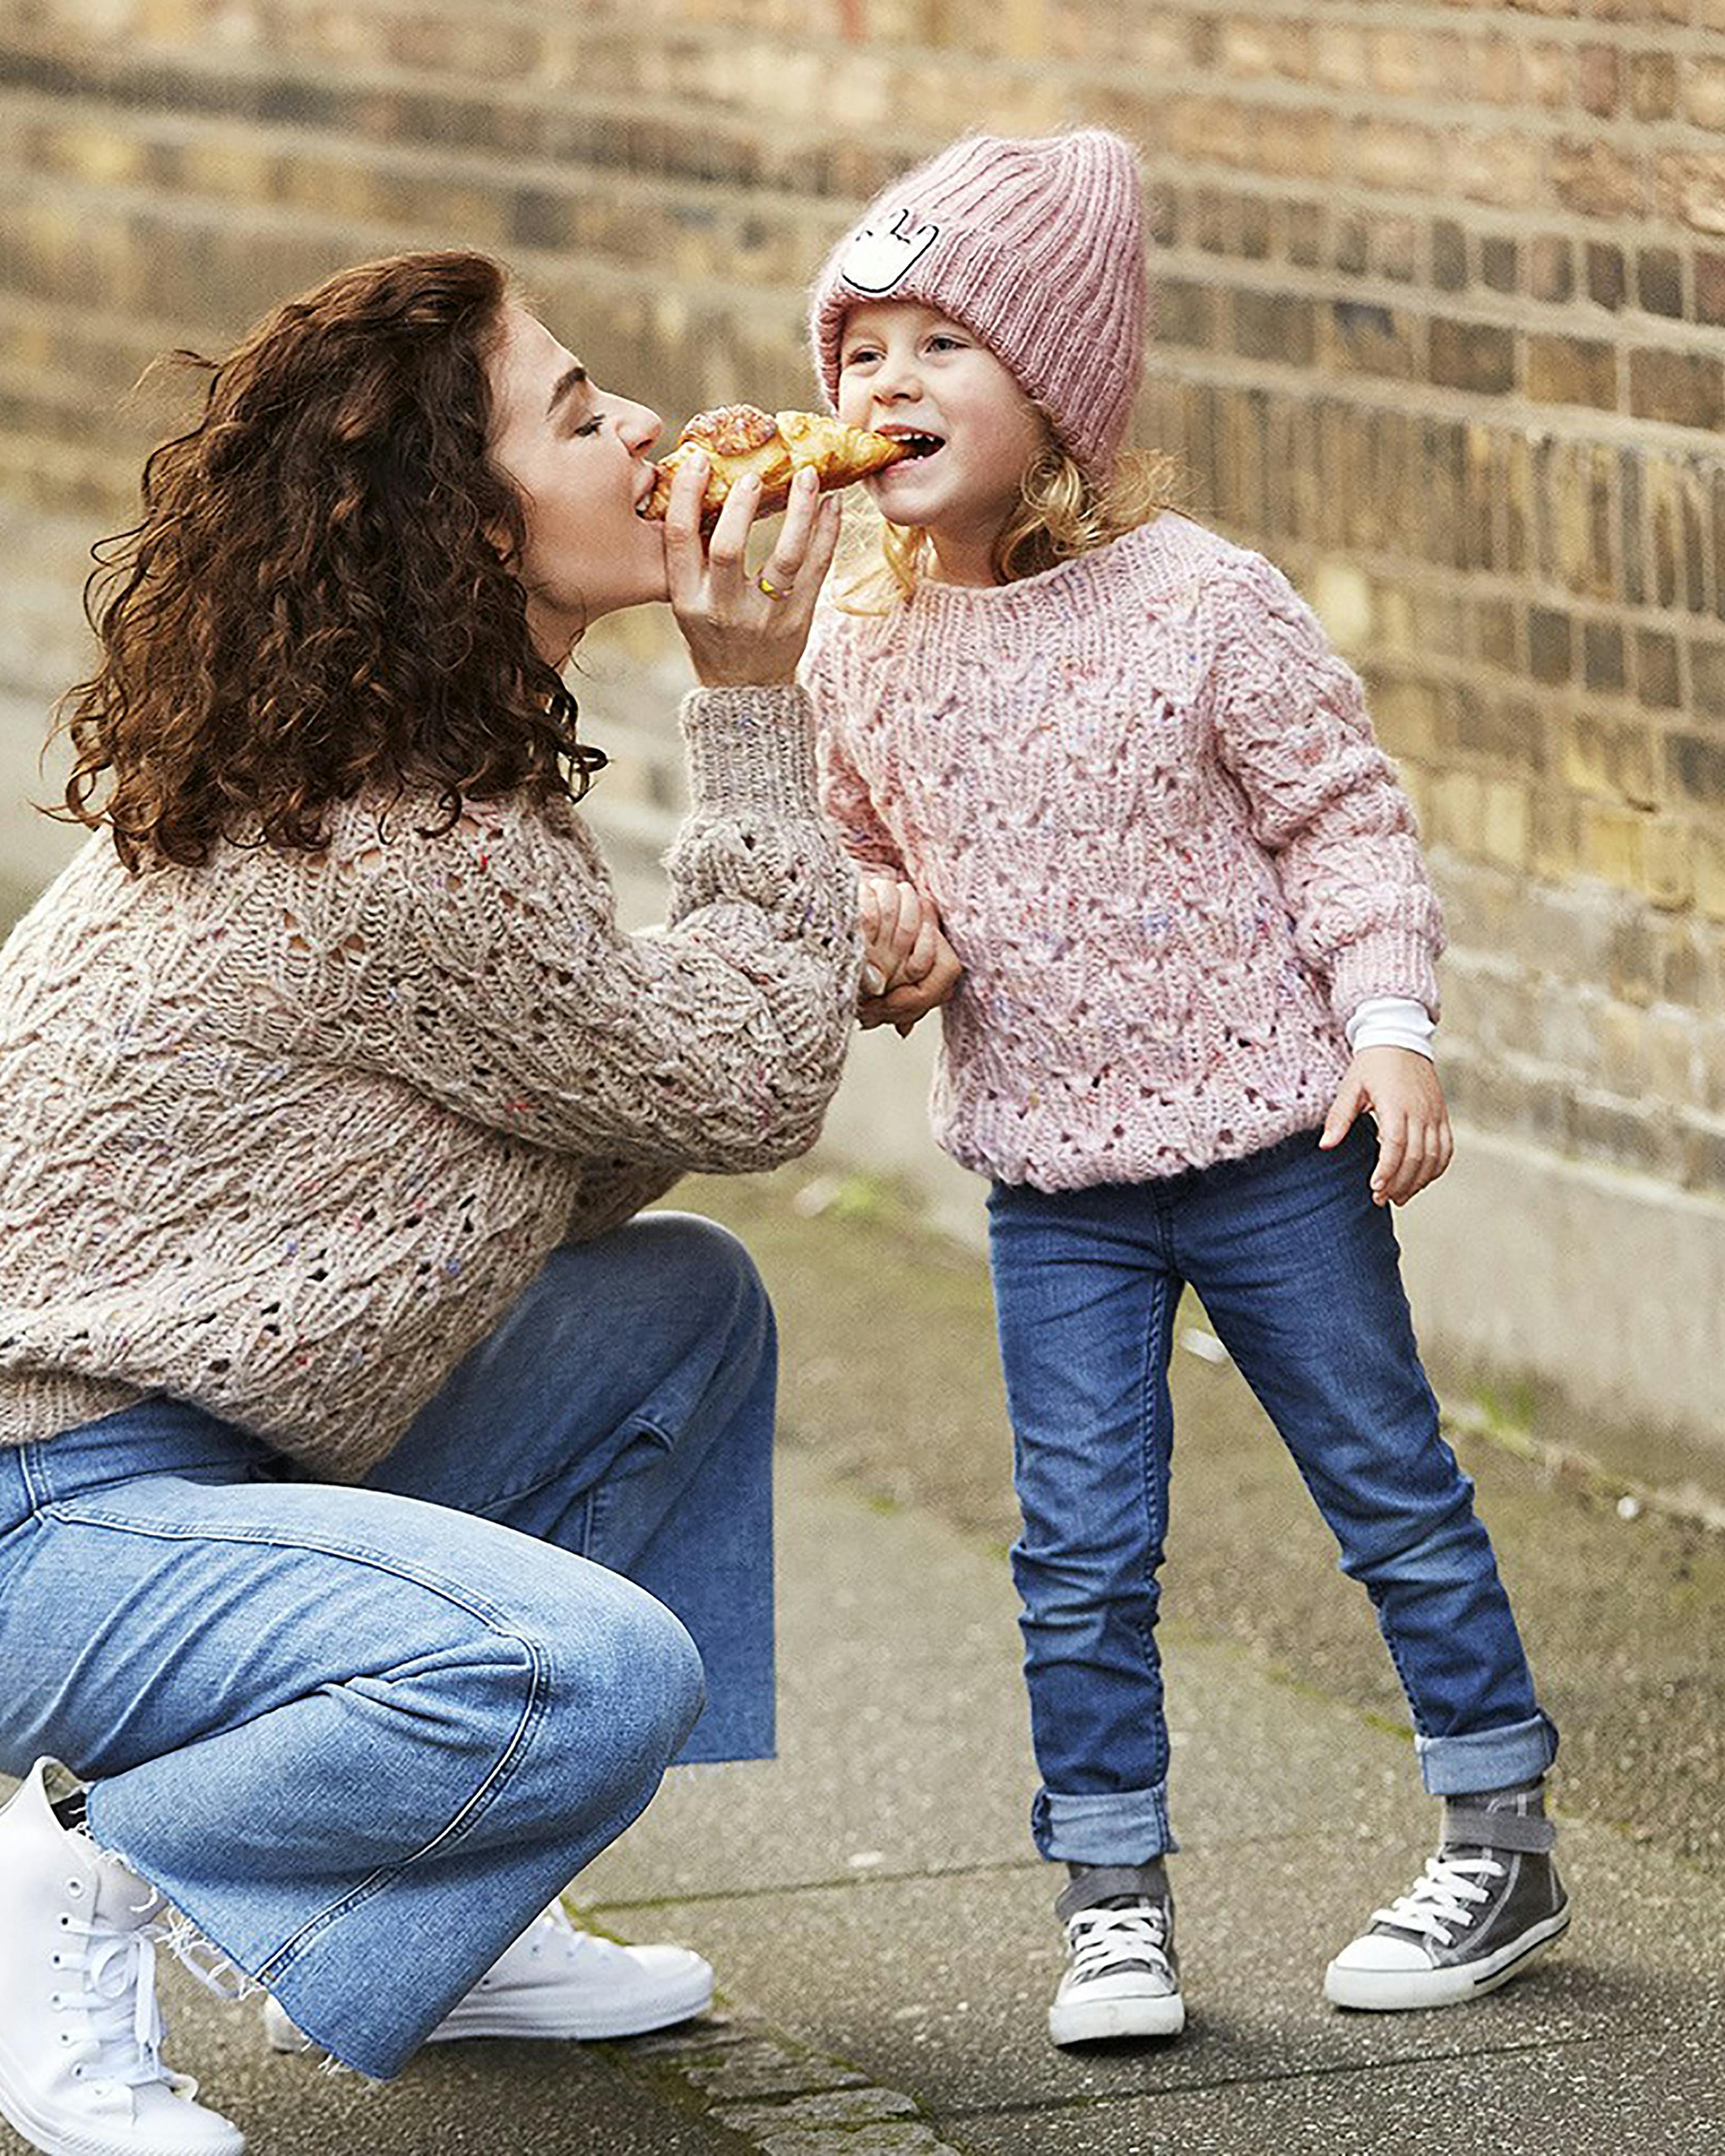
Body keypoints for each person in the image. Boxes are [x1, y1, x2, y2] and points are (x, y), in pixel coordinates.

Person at [0, 248, 855, 2155]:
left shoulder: (400, 770)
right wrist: (754, 712)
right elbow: (744, 1085)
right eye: (572, 413)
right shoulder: (410, 839)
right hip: (35, 1511)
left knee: (674, 1302)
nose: (641, 424)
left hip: (166, 1465)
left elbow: (587, 1128)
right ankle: (76, 1871)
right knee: (596, 1673)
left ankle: (442, 1920)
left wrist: (789, 954)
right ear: (464, 533)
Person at [802, 131, 1567, 2049]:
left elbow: (1342, 823)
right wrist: (889, 929)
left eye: (938, 345)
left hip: (1277, 1150)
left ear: (1056, 392)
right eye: (859, 350)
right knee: (1077, 1541)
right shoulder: (858, 635)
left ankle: (1500, 1827)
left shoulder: (1200, 598)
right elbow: (839, 852)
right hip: (1052, 1182)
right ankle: (1114, 1901)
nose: (885, 386)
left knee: (1385, 1480)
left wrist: (1394, 1024)